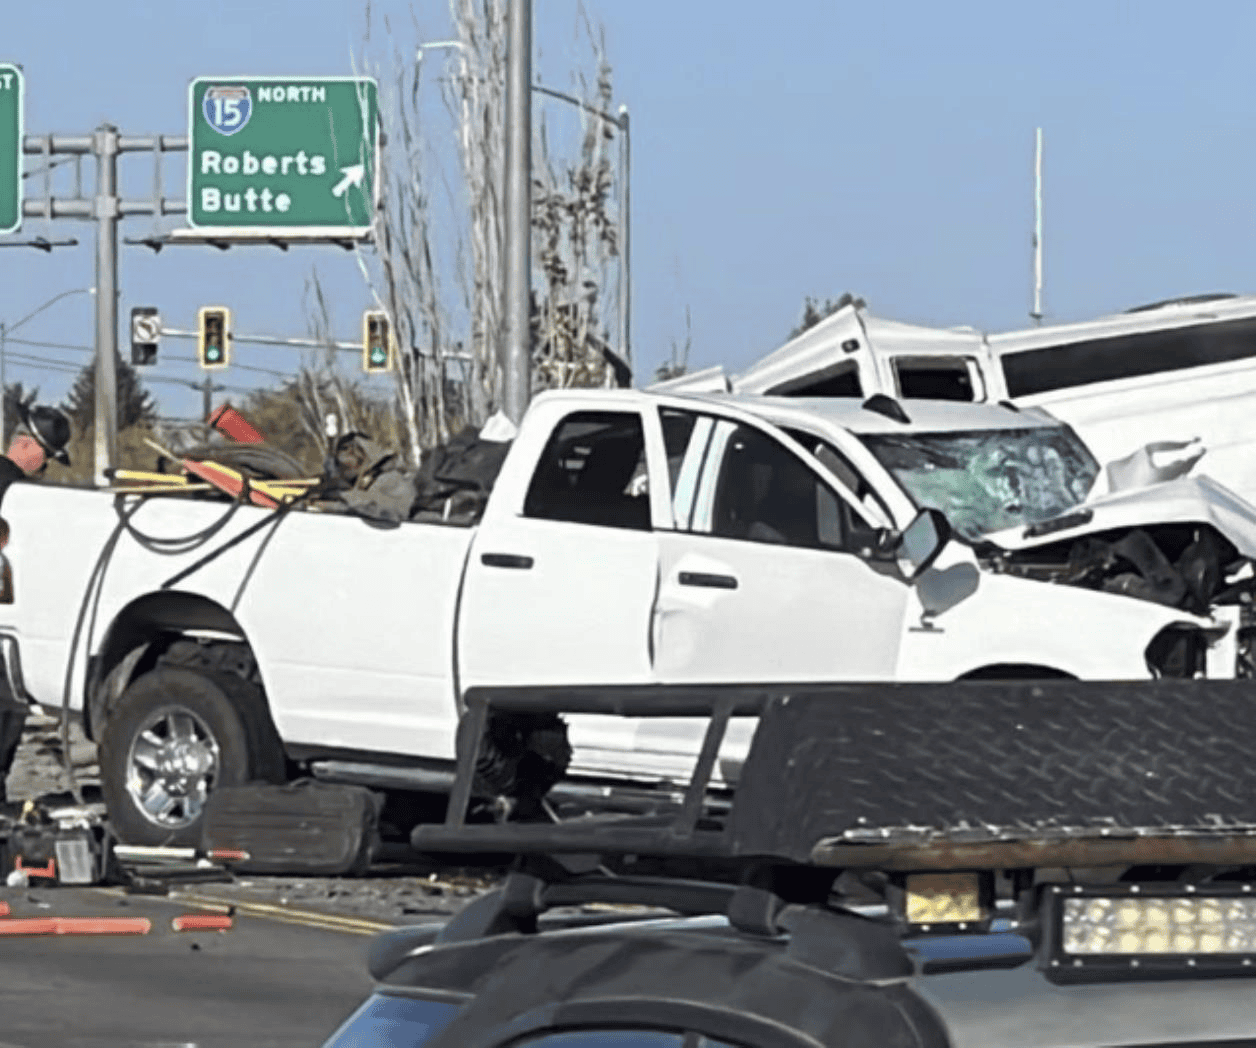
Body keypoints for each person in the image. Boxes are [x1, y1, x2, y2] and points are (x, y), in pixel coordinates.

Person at [0, 405, 70, 804]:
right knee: (7, 713)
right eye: (46, 457)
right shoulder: (16, 494)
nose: (45, 468)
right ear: (26, 444)